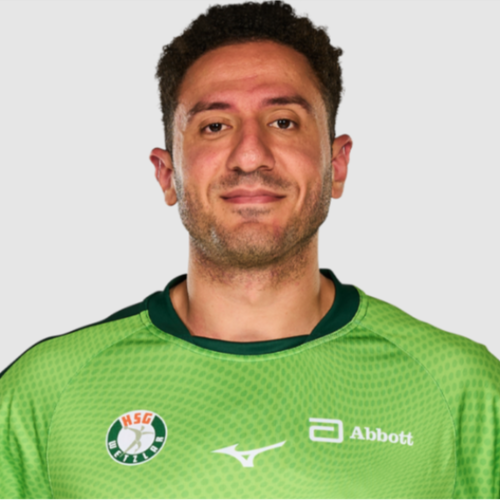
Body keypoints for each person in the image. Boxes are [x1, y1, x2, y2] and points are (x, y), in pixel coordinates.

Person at [1, 1, 499, 498]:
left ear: (337, 165)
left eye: (283, 122)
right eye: (214, 126)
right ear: (167, 174)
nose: (250, 156)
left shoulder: (462, 390)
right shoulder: (43, 393)